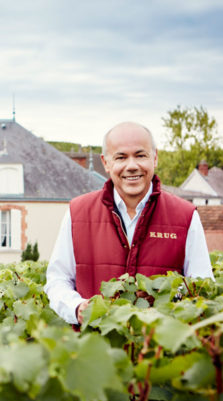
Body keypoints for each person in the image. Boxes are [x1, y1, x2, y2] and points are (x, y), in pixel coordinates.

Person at [44, 122, 214, 325]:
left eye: (140, 155)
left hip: (160, 349)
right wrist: (77, 307)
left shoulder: (185, 216)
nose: (132, 165)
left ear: (155, 158)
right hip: (96, 346)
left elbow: (202, 285)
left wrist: (170, 307)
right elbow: (57, 279)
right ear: (106, 163)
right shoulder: (77, 213)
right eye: (121, 157)